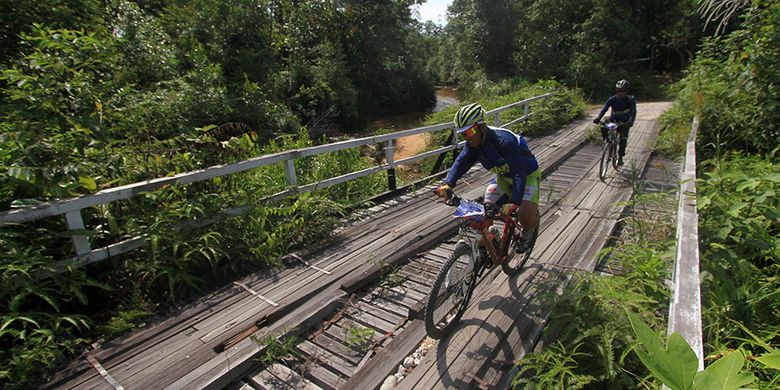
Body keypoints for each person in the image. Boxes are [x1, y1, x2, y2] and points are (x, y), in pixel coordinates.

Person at [434, 103, 540, 253]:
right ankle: (488, 242)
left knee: (525, 216)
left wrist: (515, 202)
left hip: (527, 174)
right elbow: (461, 162)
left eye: (470, 131)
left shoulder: (504, 142)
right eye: (463, 134)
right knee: (487, 208)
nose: (467, 137)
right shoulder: (473, 144)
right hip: (504, 177)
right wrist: (448, 183)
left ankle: (528, 232)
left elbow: (519, 173)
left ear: (482, 126)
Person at [593, 79, 637, 166]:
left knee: (623, 139)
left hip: (624, 122)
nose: (620, 93)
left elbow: (633, 112)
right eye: (618, 91)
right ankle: (607, 142)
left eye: (622, 91)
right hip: (613, 119)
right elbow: (604, 109)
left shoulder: (630, 100)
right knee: (603, 125)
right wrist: (598, 118)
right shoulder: (612, 99)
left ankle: (620, 157)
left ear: (626, 91)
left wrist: (630, 122)